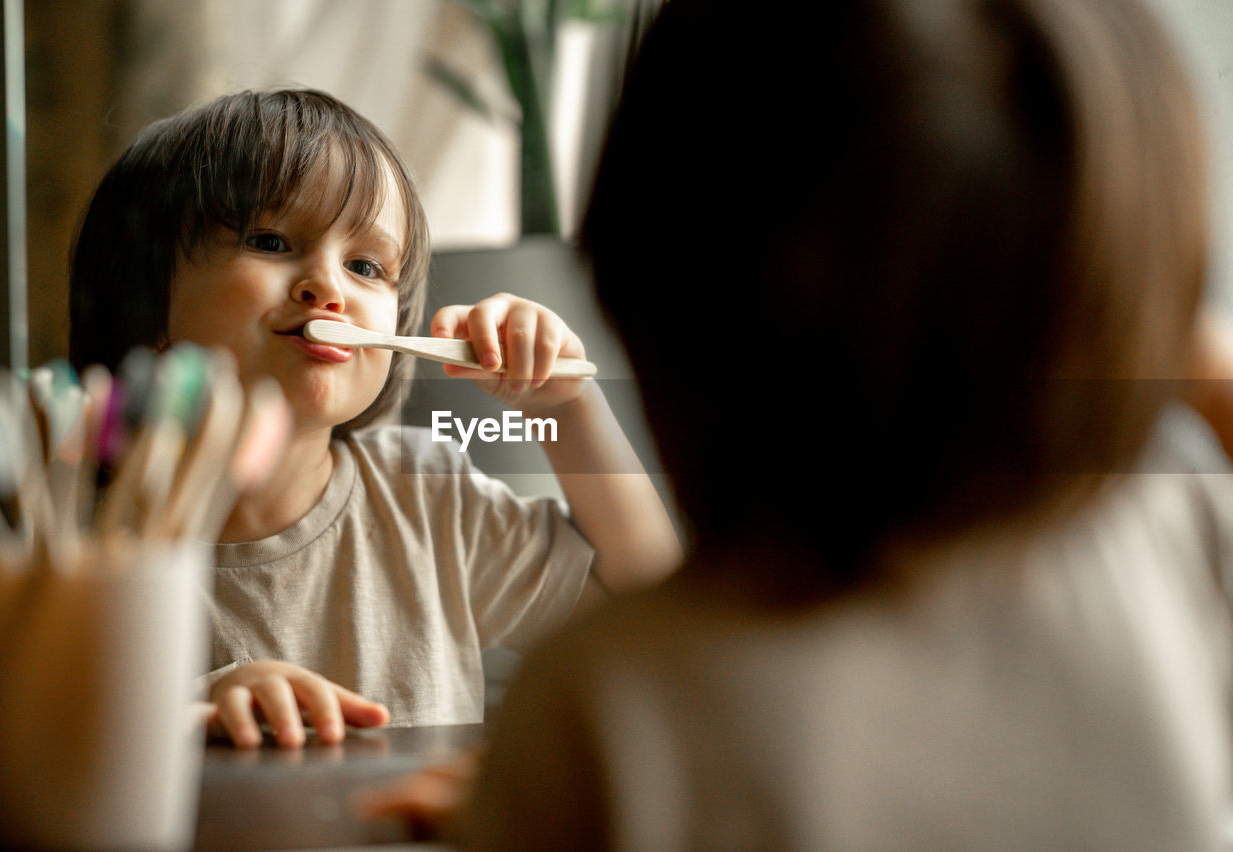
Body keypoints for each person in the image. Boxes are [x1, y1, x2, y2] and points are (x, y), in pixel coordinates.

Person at [362, 0, 1233, 847]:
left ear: (645, 284)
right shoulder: (1176, 530)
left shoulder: (607, 698)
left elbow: (645, 577)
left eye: (366, 261)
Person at [67, 89, 681, 747]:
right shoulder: (74, 528)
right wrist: (204, 710)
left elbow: (649, 598)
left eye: (365, 265)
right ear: (142, 302)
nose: (329, 286)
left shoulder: (428, 495)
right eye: (271, 240)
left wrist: (565, 409)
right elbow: (56, 738)